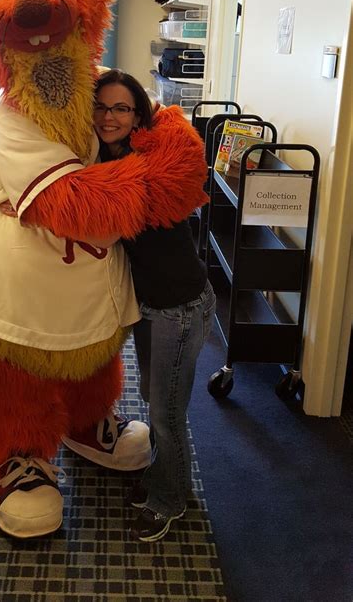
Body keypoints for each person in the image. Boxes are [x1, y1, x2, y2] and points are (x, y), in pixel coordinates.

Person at [93, 69, 216, 543]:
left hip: (181, 306)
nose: (109, 117)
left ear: (137, 114)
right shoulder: (105, 155)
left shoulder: (146, 163)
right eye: (102, 107)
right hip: (151, 304)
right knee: (154, 396)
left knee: (166, 413)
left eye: (121, 108)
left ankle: (171, 499)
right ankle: (166, 479)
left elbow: (100, 221)